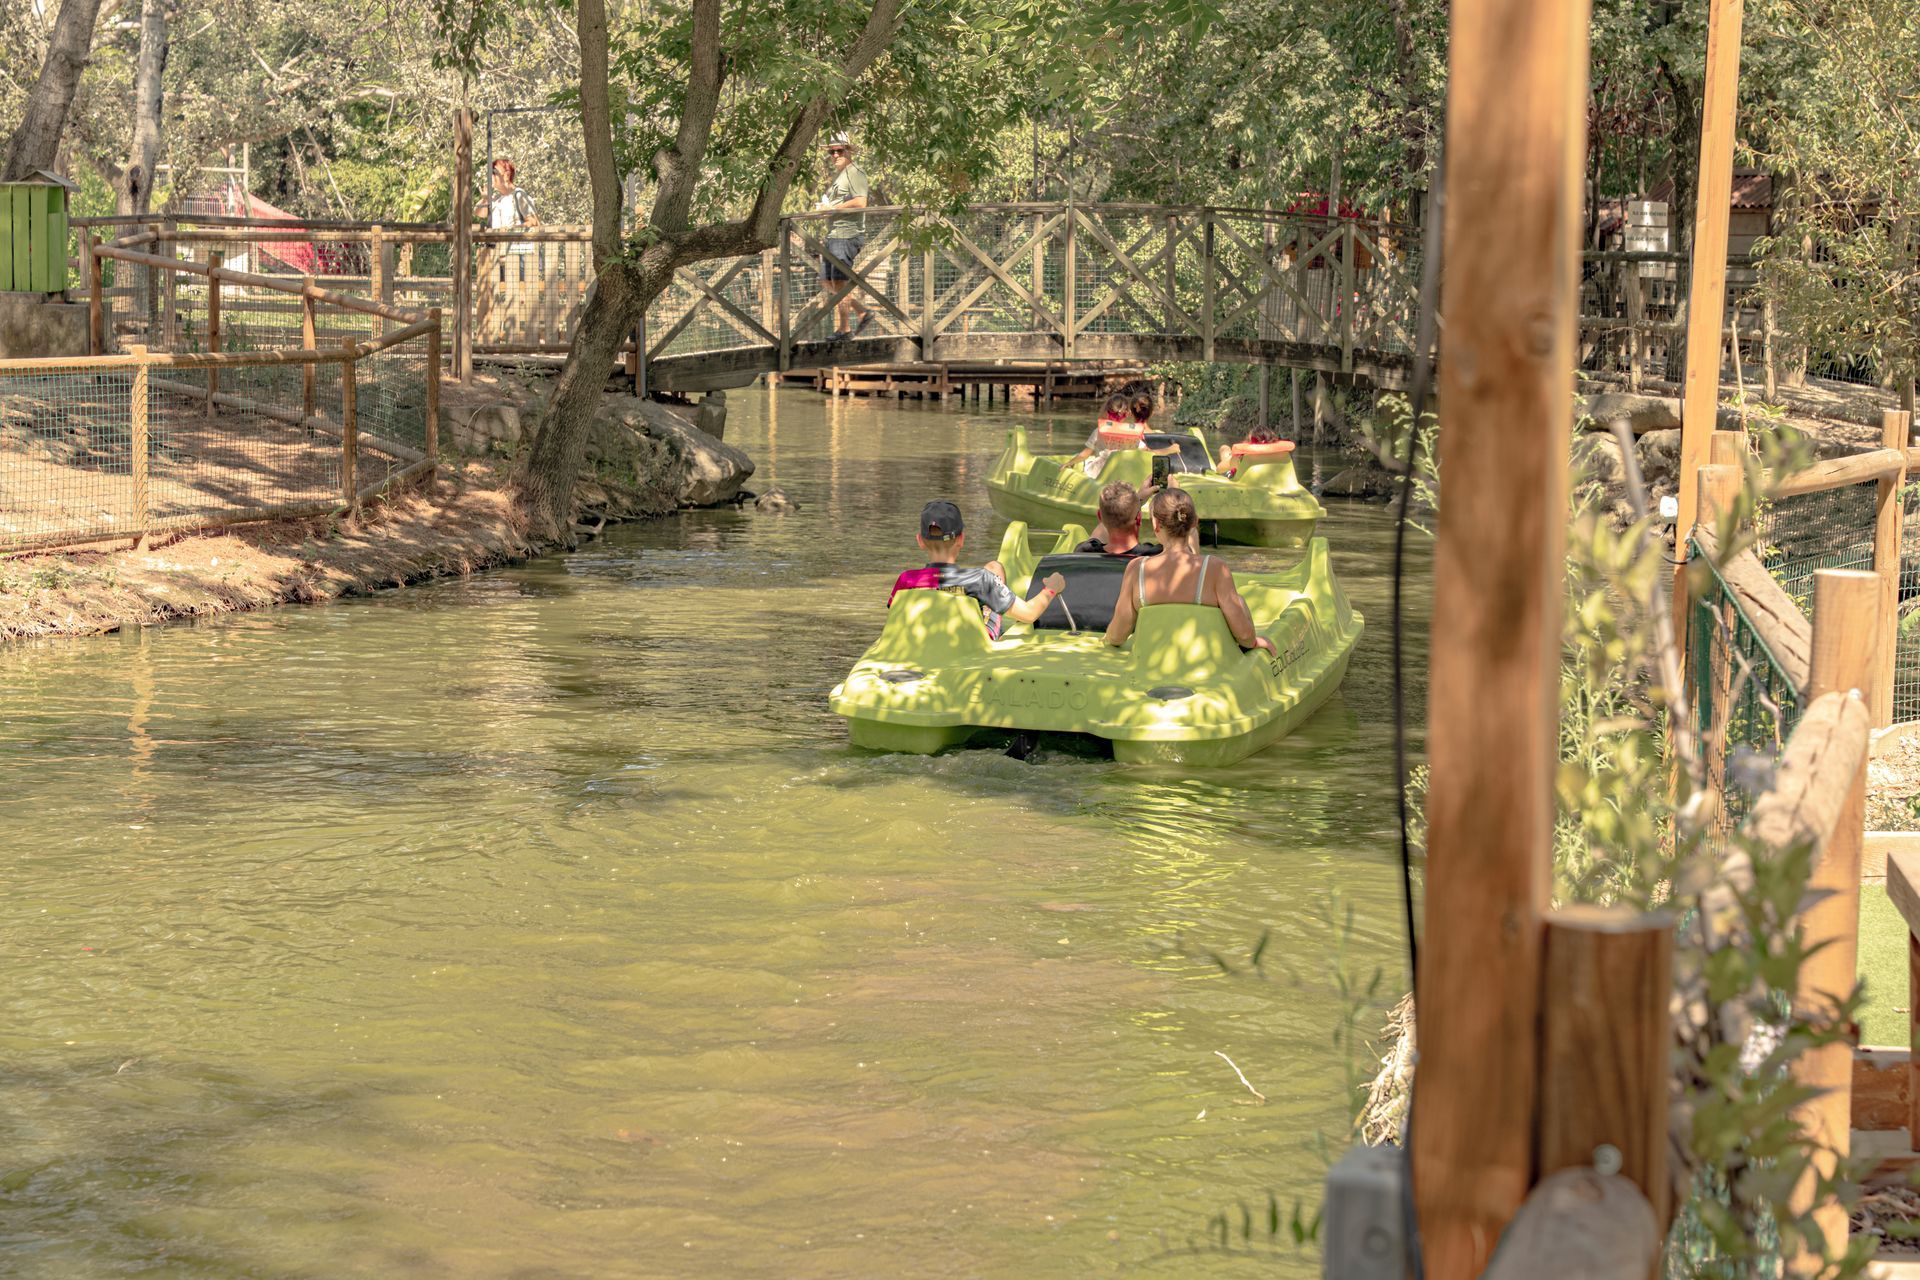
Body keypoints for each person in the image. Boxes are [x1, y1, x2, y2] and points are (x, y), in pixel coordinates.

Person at [1105, 489, 1276, 654]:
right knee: (1239, 600)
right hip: (1204, 667)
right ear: (1194, 522)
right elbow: (1244, 636)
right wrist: (1254, 641)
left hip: (1149, 667)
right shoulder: (1215, 568)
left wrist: (1106, 638)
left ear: (1156, 524)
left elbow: (1117, 635)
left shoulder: (1137, 570)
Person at [890, 500, 1066, 639]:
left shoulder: (906, 580)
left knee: (993, 568)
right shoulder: (980, 580)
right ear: (961, 539)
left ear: (920, 541)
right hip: (969, 647)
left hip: (920, 643)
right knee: (995, 569)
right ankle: (988, 607)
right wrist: (1052, 587)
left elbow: (895, 620)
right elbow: (1029, 614)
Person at [816, 135, 872, 340]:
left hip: (847, 235)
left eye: (840, 150)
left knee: (839, 281)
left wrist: (833, 207)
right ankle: (862, 312)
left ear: (849, 151)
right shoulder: (840, 176)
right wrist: (826, 209)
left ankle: (845, 329)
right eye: (832, 152)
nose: (835, 155)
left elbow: (860, 202)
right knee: (826, 281)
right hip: (834, 235)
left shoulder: (855, 173)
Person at [1074, 480, 1162, 557]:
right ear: (1139, 518)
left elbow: (1100, 531)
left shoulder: (1085, 553)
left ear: (1099, 516)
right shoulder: (1154, 556)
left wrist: (1138, 499)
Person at [1216, 422, 1288, 476]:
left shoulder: (1243, 456)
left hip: (1236, 466)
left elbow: (1218, 469)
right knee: (1225, 450)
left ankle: (1228, 454)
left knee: (1224, 448)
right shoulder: (1281, 454)